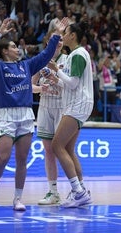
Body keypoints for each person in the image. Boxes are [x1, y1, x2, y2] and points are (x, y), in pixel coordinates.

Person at [0, 17, 65, 211]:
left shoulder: (26, 65)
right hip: (6, 115)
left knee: (21, 159)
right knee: (3, 157)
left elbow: (45, 56)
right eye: (13, 46)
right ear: (4, 51)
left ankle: (17, 198)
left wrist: (56, 35)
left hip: (26, 115)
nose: (17, 48)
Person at [46, 20, 93, 208]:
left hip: (78, 104)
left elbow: (73, 83)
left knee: (57, 146)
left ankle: (78, 192)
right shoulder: (78, 54)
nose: (62, 36)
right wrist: (55, 78)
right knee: (68, 148)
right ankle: (80, 189)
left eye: (65, 33)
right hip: (79, 103)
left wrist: (57, 70)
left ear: (73, 36)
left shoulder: (78, 54)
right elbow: (70, 83)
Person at [31, 31, 67, 205]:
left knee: (65, 150)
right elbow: (29, 86)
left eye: (61, 39)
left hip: (62, 106)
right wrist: (41, 89)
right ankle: (53, 192)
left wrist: (56, 75)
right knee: (48, 150)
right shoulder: (40, 60)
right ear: (48, 41)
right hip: (45, 106)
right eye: (56, 39)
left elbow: (72, 86)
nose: (59, 42)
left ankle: (77, 189)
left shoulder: (68, 59)